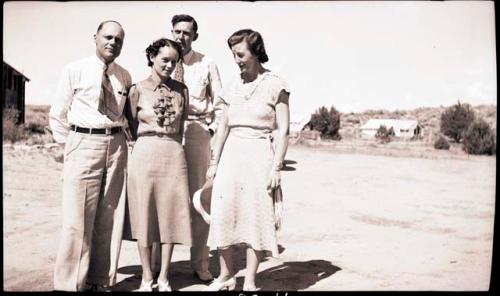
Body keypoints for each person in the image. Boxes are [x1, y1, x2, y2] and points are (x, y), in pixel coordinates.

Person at [204, 29, 290, 291]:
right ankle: (226, 276)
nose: (237, 60)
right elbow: (222, 128)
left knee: (255, 215)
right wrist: (214, 163)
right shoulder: (231, 86)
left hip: (260, 154)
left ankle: (250, 280)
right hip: (231, 154)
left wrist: (277, 167)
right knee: (222, 213)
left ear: (255, 52)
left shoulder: (276, 84)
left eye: (240, 54)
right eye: (233, 55)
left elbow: (283, 130)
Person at [49, 20, 132, 291]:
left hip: (116, 145)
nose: (112, 43)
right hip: (83, 141)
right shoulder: (75, 70)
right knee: (77, 219)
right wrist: (69, 145)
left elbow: (124, 116)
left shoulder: (124, 76)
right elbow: (57, 114)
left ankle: (98, 280)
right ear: (95, 37)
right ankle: (69, 284)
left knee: (108, 217)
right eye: (107, 37)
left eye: (118, 39)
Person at [150, 14, 223, 283]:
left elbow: (220, 103)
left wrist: (211, 131)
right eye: (178, 32)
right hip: (166, 133)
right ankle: (156, 264)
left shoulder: (207, 63)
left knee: (199, 199)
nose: (182, 37)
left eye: (187, 33)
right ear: (171, 31)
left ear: (195, 36)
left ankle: (201, 263)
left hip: (195, 131)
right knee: (163, 198)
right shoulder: (161, 58)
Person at [125, 38, 192, 292]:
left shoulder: (182, 90)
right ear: (152, 57)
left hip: (173, 154)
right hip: (145, 153)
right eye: (165, 59)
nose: (169, 65)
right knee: (144, 215)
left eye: (174, 61)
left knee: (170, 216)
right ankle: (146, 277)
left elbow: (182, 124)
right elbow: (132, 125)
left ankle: (164, 276)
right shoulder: (137, 89)